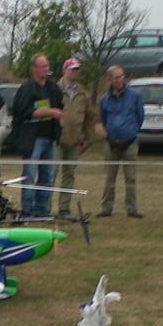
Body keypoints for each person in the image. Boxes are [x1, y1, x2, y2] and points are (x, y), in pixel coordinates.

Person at [10, 53, 64, 217]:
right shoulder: (26, 88)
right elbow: (22, 111)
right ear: (34, 68)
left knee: (47, 176)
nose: (46, 69)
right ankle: (28, 210)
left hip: (50, 137)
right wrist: (47, 112)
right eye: (42, 66)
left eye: (47, 66)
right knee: (30, 175)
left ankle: (42, 210)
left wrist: (56, 114)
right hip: (33, 139)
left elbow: (59, 106)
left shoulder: (53, 87)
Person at [96, 66, 145, 219]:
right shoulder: (104, 99)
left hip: (130, 142)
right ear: (110, 79)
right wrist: (109, 134)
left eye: (121, 76)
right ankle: (106, 208)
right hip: (111, 143)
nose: (119, 80)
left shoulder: (135, 96)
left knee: (130, 177)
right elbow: (103, 119)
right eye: (116, 77)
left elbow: (140, 117)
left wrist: (131, 131)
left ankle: (132, 209)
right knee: (110, 177)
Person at [57, 57, 97, 217]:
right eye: (72, 69)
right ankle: (44, 208)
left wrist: (89, 139)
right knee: (51, 173)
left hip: (75, 141)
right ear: (64, 70)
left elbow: (90, 117)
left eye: (77, 70)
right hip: (57, 140)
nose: (75, 72)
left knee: (69, 175)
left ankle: (64, 208)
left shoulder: (83, 93)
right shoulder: (55, 89)